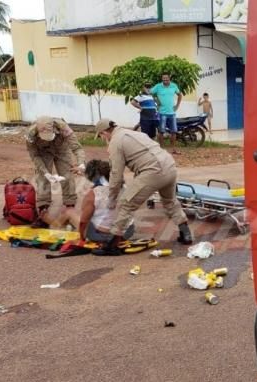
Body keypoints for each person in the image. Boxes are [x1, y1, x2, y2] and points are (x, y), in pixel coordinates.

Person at [92, 118, 193, 256]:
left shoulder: (115, 142)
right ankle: (186, 234)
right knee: (170, 201)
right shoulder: (133, 134)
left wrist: (112, 197)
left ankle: (111, 244)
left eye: (101, 136)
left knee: (126, 203)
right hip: (169, 166)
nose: (103, 139)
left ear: (105, 132)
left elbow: (116, 174)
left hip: (153, 171)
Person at [41, 160, 136, 244]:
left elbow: (83, 222)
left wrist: (82, 238)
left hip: (104, 236)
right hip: (127, 233)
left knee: (69, 212)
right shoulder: (124, 187)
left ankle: (55, 224)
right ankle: (64, 226)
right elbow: (102, 177)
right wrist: (82, 170)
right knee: (102, 212)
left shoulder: (92, 194)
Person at [25, 116, 86, 228]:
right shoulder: (30, 134)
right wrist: (46, 173)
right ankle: (43, 214)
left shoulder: (63, 127)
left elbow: (77, 148)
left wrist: (81, 163)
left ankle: (69, 211)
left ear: (54, 129)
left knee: (67, 175)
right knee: (42, 179)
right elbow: (34, 155)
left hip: (61, 149)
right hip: (42, 152)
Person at [150, 73, 182, 152]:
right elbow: (150, 93)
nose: (165, 80)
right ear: (162, 79)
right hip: (162, 113)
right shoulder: (158, 86)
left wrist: (177, 105)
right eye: (163, 79)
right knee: (161, 131)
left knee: (174, 131)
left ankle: (173, 149)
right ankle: (161, 149)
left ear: (169, 78)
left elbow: (179, 95)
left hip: (172, 113)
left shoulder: (174, 86)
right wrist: (156, 101)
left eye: (166, 79)